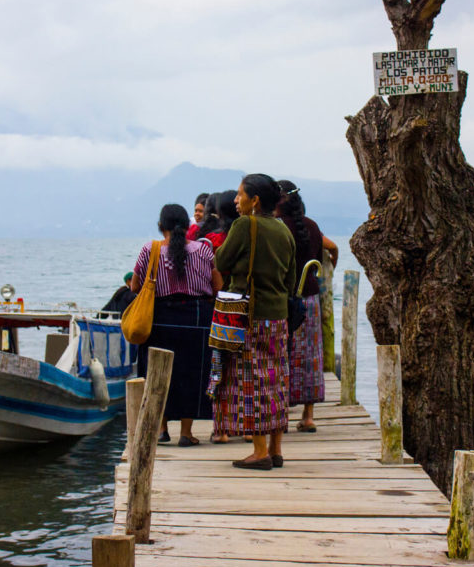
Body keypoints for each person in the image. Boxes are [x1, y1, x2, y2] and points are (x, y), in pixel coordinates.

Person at [210, 174, 296, 470]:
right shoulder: (284, 230)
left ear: (255, 200)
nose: (237, 200)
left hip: (248, 313)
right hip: (279, 316)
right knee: (276, 378)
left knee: (251, 378)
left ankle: (259, 452)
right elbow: (291, 277)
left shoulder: (245, 224)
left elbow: (220, 262)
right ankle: (275, 448)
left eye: (240, 194)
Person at [131, 204, 223, 446]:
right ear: (187, 225)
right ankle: (186, 433)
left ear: (161, 227)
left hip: (159, 318)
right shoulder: (204, 251)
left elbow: (134, 287)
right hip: (196, 316)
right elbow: (218, 287)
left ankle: (161, 430)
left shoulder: (150, 250)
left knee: (158, 372)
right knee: (193, 373)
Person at [275, 180, 339, 432]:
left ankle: (280, 414)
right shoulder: (311, 226)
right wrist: (327, 270)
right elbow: (332, 248)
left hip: (284, 299)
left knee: (281, 355)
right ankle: (308, 415)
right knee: (310, 355)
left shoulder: (278, 228)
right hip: (310, 298)